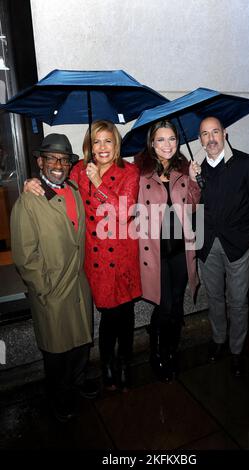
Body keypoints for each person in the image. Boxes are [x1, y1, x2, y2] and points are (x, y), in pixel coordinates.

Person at [24, 121, 141, 392]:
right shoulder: (77, 170)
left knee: (125, 314)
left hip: (122, 256)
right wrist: (32, 182)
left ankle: (124, 363)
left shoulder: (130, 172)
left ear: (116, 145)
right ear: (89, 145)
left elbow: (124, 213)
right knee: (109, 317)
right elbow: (56, 187)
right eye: (96, 141)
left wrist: (98, 182)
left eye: (108, 141)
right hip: (96, 259)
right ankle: (107, 364)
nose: (102, 147)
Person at [10, 133, 98, 423]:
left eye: (64, 159)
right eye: (52, 159)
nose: (58, 165)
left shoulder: (73, 190)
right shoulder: (28, 202)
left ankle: (78, 380)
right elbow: (25, 257)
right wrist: (44, 289)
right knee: (57, 351)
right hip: (51, 290)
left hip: (77, 284)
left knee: (81, 342)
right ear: (40, 162)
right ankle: (59, 395)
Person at [196, 116, 249, 377]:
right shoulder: (197, 171)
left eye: (215, 131)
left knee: (238, 302)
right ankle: (219, 340)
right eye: (205, 134)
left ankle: (237, 351)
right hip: (207, 247)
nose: (211, 138)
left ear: (225, 134)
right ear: (200, 140)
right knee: (215, 298)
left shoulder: (245, 164)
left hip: (238, 245)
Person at [134, 120, 201, 382]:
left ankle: (171, 349)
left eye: (172, 138)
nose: (167, 145)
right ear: (152, 142)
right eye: (161, 139)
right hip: (156, 252)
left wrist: (194, 181)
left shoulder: (183, 170)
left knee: (176, 305)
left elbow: (194, 207)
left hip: (180, 250)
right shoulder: (141, 173)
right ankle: (157, 353)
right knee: (166, 305)